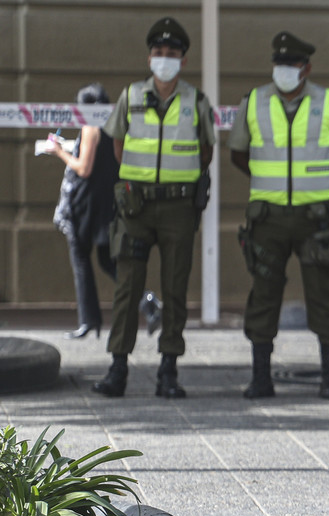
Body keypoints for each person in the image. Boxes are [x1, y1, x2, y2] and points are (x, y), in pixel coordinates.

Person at [228, 31, 329, 399]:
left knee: (323, 295)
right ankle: (260, 378)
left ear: (306, 68)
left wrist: (317, 178)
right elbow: (237, 152)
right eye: (279, 64)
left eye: (292, 64)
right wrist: (268, 179)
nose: (284, 70)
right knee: (264, 295)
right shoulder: (253, 101)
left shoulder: (328, 102)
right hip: (268, 218)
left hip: (315, 216)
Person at [92, 17, 216, 398]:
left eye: (172, 54)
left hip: (179, 207)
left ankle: (169, 370)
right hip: (136, 207)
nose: (165, 59)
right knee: (127, 288)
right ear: (150, 58)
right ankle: (118, 369)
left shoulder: (196, 101)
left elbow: (206, 149)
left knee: (175, 288)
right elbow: (118, 145)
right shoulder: (130, 96)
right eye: (159, 53)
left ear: (183, 59)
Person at [44, 84, 118, 340]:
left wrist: (59, 152)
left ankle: (89, 321)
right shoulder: (113, 126)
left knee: (81, 259)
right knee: (108, 260)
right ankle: (146, 298)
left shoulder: (90, 128)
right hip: (106, 203)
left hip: (85, 205)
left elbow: (83, 168)